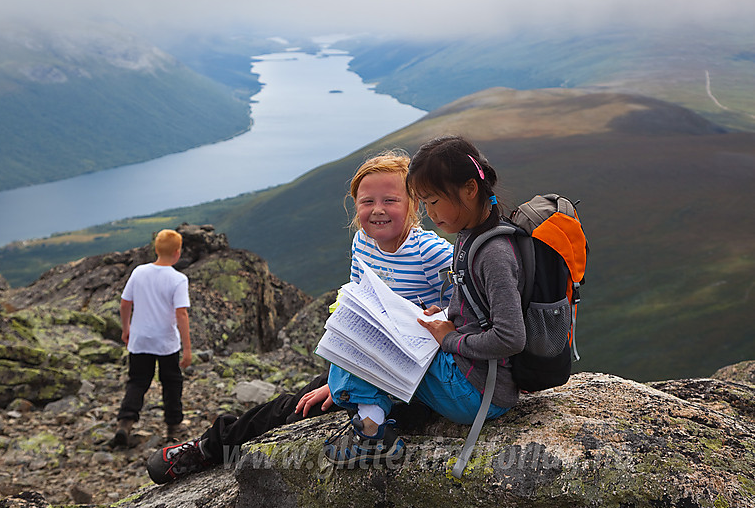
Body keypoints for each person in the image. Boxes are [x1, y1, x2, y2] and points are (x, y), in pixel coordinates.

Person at [146, 150, 454, 483]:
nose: (377, 210)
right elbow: (359, 312)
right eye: (367, 202)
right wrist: (339, 379)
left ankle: (209, 448)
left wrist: (441, 318)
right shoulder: (362, 243)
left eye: (391, 199)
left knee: (309, 405)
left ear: (415, 204)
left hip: (417, 371)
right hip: (370, 362)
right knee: (296, 405)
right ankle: (208, 447)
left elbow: (468, 310)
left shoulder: (432, 253)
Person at [323, 135, 525, 468]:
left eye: (432, 201)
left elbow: (511, 337)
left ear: (470, 190)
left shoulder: (490, 253)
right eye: (425, 202)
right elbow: (472, 309)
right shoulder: (473, 239)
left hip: (474, 392)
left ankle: (372, 435)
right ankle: (370, 413)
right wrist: (445, 316)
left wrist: (449, 338)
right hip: (473, 380)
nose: (429, 213)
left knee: (360, 342)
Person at [111, 228, 192, 448]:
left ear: (156, 250)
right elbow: (181, 314)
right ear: (177, 252)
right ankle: (173, 429)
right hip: (166, 342)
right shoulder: (178, 279)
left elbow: (125, 302)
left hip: (140, 340)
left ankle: (125, 423)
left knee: (137, 382)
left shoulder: (139, 272)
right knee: (171, 383)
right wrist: (187, 349)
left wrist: (126, 329)